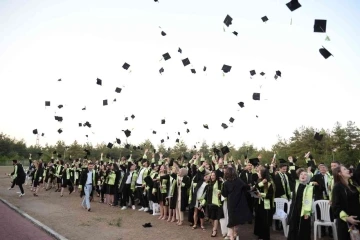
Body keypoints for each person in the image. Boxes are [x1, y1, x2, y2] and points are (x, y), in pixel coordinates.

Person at [222, 166, 252, 240]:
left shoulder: (225, 183)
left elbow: (224, 194)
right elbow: (246, 187)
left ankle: (232, 237)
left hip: (231, 203)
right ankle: (235, 233)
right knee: (237, 219)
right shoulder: (239, 180)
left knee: (231, 220)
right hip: (239, 202)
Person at [332, 165, 360, 240]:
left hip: (357, 219)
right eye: (345, 169)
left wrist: (354, 177)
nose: (348, 170)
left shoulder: (352, 185)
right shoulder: (337, 187)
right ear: (339, 173)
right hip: (346, 223)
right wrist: (347, 218)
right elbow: (335, 206)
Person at [287, 168, 313, 240]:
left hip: (303, 210)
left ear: (308, 177)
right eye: (301, 174)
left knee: (303, 228)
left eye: (305, 174)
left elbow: (308, 200)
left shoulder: (309, 187)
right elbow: (292, 175)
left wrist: (307, 212)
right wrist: (291, 163)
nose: (303, 175)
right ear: (298, 176)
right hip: (295, 210)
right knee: (293, 227)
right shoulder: (296, 184)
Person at [253, 165, 275, 240]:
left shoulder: (270, 183)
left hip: (266, 205)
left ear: (263, 173)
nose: (258, 174)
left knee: (265, 222)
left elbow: (271, 195)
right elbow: (255, 188)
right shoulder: (259, 181)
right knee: (259, 221)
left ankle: (265, 237)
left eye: (259, 172)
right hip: (258, 204)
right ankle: (260, 235)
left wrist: (261, 194)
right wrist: (262, 182)